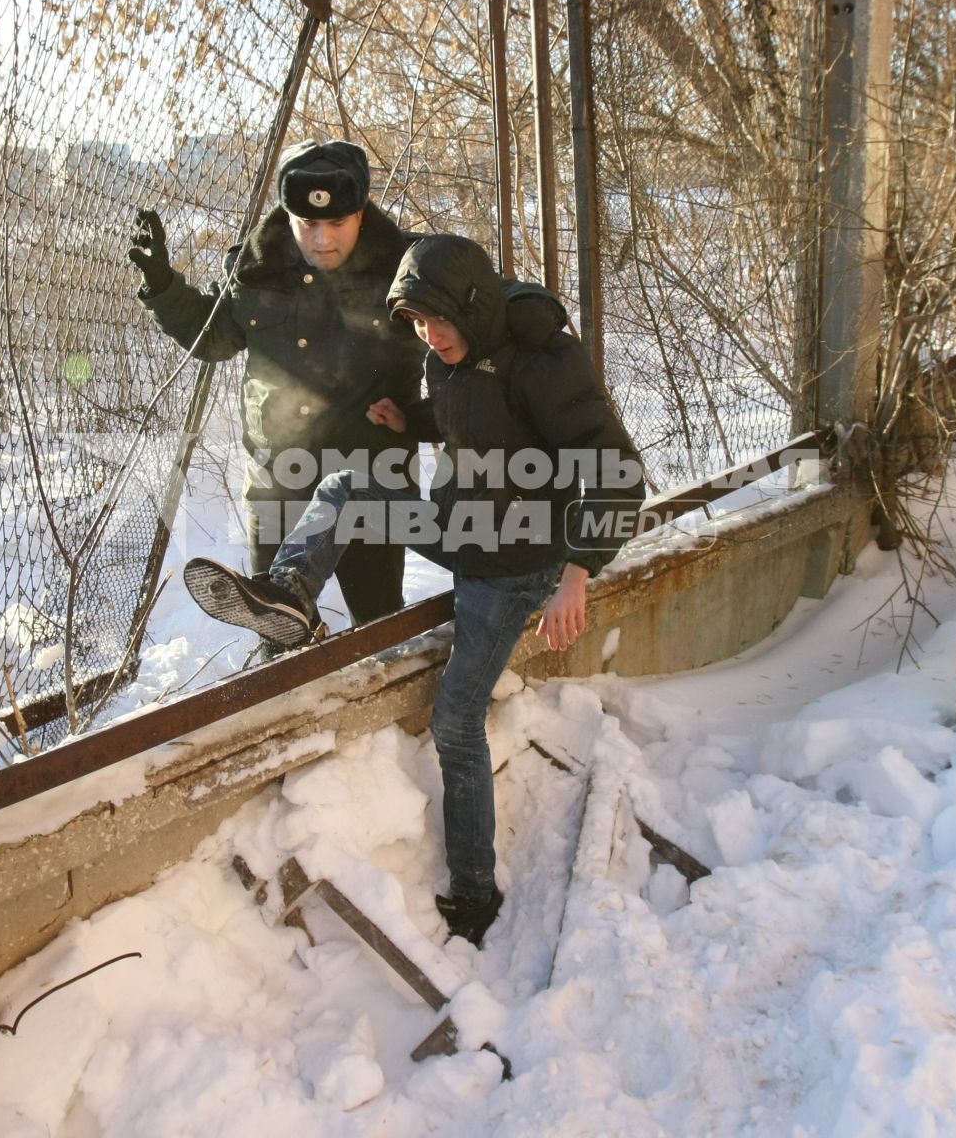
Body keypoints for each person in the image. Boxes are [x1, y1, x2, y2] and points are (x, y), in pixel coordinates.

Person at [184, 234, 645, 945]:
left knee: (455, 722)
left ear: (474, 306)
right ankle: (291, 595)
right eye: (419, 324)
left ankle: (474, 891)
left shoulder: (546, 365)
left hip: (514, 565)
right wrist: (413, 421)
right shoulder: (449, 356)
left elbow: (617, 470)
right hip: (464, 528)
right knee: (345, 489)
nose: (431, 336)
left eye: (440, 321)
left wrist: (577, 572)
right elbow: (474, 417)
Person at [130, 139, 422, 627]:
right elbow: (216, 338)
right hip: (279, 478)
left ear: (362, 215)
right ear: (288, 216)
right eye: (308, 224)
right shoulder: (256, 268)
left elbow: (467, 328)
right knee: (273, 618)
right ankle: (286, 671)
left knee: (378, 620)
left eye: (337, 223)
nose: (322, 239)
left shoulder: (407, 268)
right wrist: (164, 287)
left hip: (372, 476)